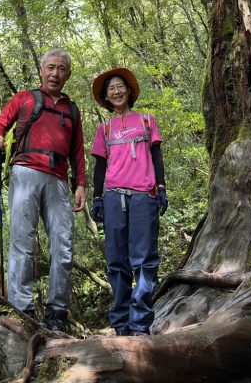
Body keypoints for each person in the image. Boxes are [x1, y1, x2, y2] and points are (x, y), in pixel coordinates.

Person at [0, 48, 86, 332]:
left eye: (62, 69)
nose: (55, 73)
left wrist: (81, 183)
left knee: (64, 245)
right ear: (42, 70)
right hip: (26, 172)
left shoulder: (72, 110)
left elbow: (77, 151)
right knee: (22, 242)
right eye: (51, 68)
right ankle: (22, 309)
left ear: (68, 74)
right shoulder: (25, 98)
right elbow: (0, 122)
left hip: (58, 180)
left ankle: (57, 312)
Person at [89, 66, 167, 336]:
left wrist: (162, 187)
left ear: (129, 91)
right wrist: (97, 197)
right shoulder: (105, 128)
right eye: (111, 88)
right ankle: (121, 324)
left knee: (145, 260)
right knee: (116, 261)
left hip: (144, 196)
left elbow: (156, 156)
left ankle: (140, 323)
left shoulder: (146, 120)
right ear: (106, 97)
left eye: (120, 86)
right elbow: (99, 166)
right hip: (112, 196)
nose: (116, 90)